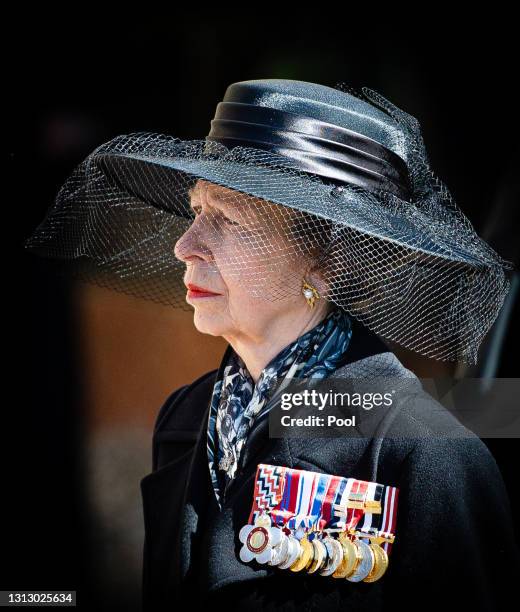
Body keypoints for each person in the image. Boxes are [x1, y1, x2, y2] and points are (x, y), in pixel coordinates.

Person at [24, 79, 520, 610]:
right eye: (196, 212)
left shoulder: (422, 450)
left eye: (230, 220)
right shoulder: (187, 417)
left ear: (328, 262)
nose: (185, 246)